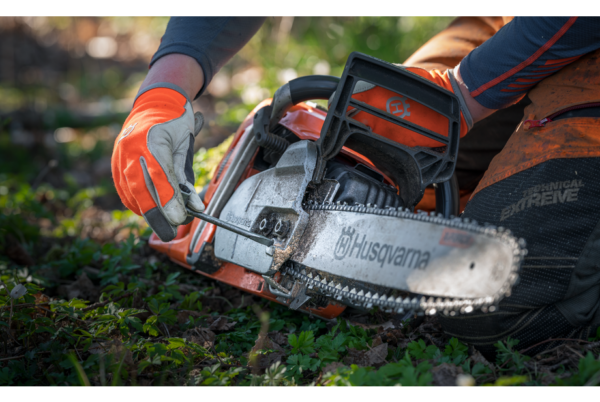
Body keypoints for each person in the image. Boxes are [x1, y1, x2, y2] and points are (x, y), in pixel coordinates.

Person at [111, 17, 600, 358]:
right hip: (516, 22)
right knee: (385, 152)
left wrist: (466, 92)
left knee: (509, 297)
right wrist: (165, 88)